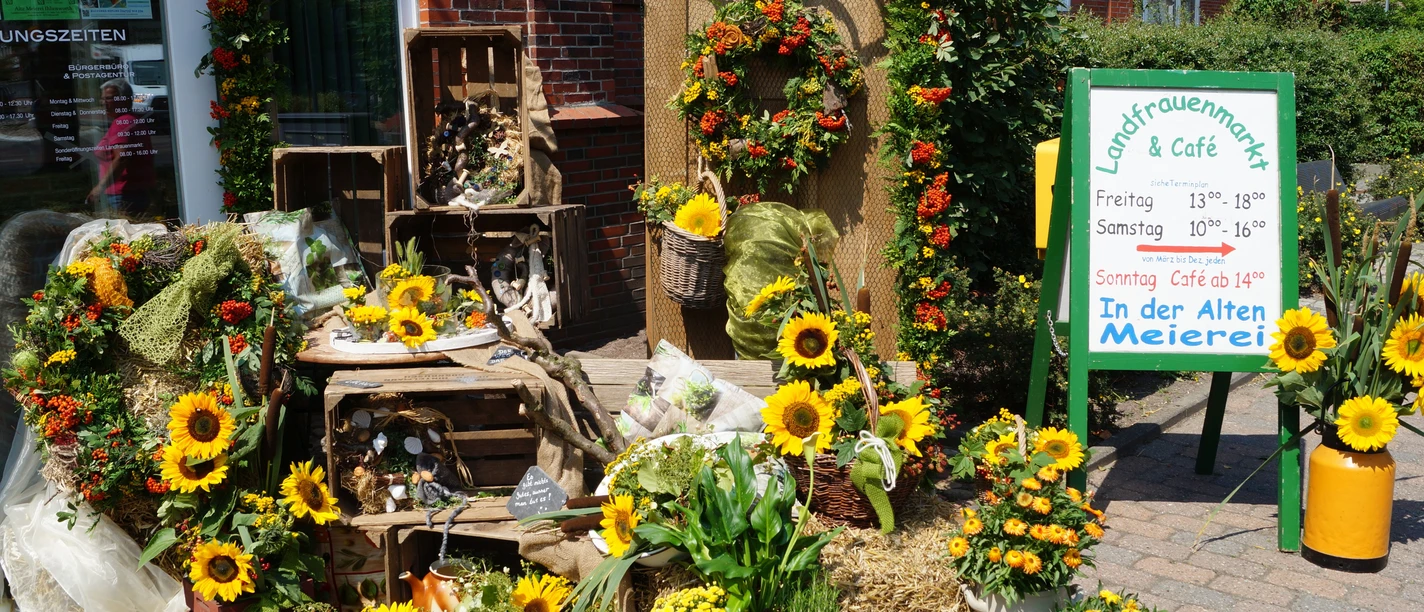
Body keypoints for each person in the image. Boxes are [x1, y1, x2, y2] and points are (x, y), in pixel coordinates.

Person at [88, 78, 156, 216]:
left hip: (123, 195)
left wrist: (99, 188)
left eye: (109, 99)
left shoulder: (121, 123)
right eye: (102, 99)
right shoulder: (132, 120)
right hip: (135, 192)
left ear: (124, 100)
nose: (103, 103)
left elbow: (121, 158)